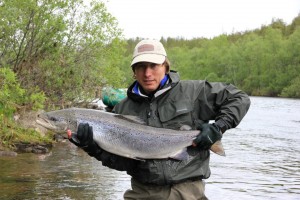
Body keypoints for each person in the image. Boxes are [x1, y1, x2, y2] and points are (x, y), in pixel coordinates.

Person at [71, 39, 251, 200]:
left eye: (153, 66)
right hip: (143, 193)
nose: (147, 73)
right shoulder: (122, 110)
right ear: (134, 71)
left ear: (165, 66)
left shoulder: (193, 92)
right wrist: (93, 148)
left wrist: (218, 128)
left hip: (188, 192)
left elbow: (239, 98)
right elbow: (123, 162)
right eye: (141, 67)